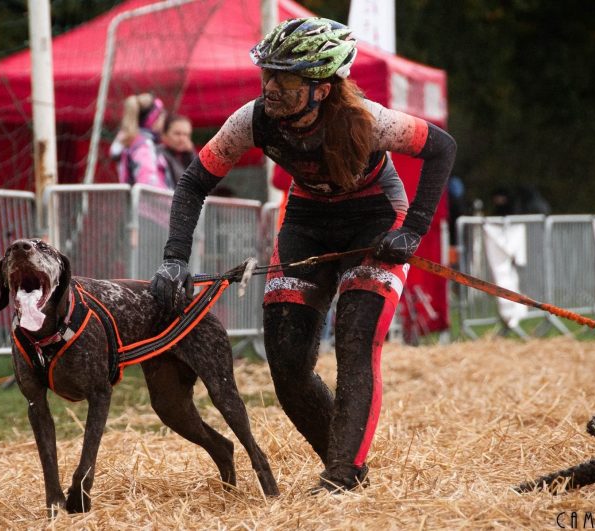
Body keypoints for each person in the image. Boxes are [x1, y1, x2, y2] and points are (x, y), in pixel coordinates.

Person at [150, 18, 456, 492]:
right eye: (266, 74)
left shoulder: (371, 121)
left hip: (375, 219)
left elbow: (442, 149)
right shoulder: (251, 120)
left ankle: (341, 476)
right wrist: (174, 258)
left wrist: (413, 231)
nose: (269, 87)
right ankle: (347, 467)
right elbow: (193, 182)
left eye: (285, 79)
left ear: (323, 88)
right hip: (307, 223)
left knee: (355, 345)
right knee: (288, 367)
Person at [110, 92, 169, 188]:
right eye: (161, 116)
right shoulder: (143, 144)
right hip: (148, 202)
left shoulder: (131, 140)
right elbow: (148, 182)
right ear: (153, 119)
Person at [157, 114, 196, 189]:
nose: (182, 139)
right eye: (177, 134)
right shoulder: (158, 154)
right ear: (164, 135)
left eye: (186, 135)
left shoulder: (187, 155)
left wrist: (191, 154)